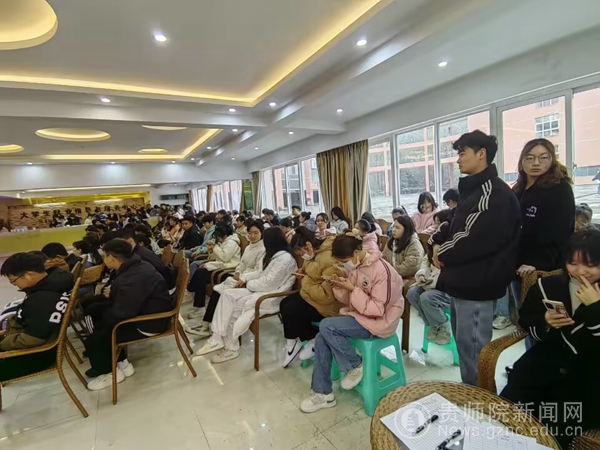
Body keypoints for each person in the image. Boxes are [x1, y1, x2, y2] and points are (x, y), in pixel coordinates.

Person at [430, 130, 520, 386]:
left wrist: (441, 250)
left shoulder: (494, 193)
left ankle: (478, 398)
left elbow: (471, 238)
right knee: (465, 347)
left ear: (481, 154)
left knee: (474, 350)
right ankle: (470, 391)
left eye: (462, 153)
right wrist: (436, 241)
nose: (458, 159)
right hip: (462, 281)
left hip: (478, 283)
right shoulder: (474, 189)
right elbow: (452, 222)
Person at [501, 229, 600, 449]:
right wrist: (545, 322)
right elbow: (526, 321)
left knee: (553, 432)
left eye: (591, 264)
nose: (580, 271)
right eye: (573, 263)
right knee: (506, 413)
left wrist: (595, 307)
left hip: (589, 377)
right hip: (545, 365)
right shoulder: (548, 286)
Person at [300, 234, 403, 413]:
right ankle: (323, 394)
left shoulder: (382, 271)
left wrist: (353, 289)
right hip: (360, 316)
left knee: (326, 326)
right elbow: (351, 301)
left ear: (356, 252)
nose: (344, 265)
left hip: (380, 322)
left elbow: (377, 310)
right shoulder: (357, 266)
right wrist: (340, 287)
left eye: (344, 261)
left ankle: (354, 365)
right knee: (322, 335)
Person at [493, 138, 574, 331]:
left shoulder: (559, 188)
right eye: (529, 158)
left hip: (544, 270)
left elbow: (560, 232)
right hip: (518, 267)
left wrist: (538, 263)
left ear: (552, 160)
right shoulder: (518, 189)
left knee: (542, 323)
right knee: (525, 320)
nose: (536, 163)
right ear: (522, 161)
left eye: (543, 157)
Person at [195, 227, 297, 363]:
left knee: (236, 307)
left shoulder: (284, 259)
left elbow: (269, 283)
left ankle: (231, 348)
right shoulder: (273, 255)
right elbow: (260, 272)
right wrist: (244, 278)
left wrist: (248, 283)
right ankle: (217, 337)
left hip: (271, 295)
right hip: (259, 289)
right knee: (227, 294)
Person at [84, 239, 172, 390]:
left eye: (104, 256)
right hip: (147, 312)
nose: (103, 260)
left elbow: (124, 311)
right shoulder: (135, 266)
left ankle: (110, 374)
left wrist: (112, 297)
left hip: (150, 322)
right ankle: (123, 364)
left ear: (112, 257)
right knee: (97, 313)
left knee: (96, 338)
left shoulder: (131, 276)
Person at [0, 252, 74, 382]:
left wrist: (3, 342)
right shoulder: (57, 281)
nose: (16, 286)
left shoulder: (41, 299)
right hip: (46, 343)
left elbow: (33, 339)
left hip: (37, 355)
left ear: (30, 274)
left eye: (14, 281)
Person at [187, 220, 265, 337]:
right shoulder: (249, 247)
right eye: (250, 233)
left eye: (256, 233)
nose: (252, 236)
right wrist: (238, 272)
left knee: (219, 291)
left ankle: (210, 326)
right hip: (238, 275)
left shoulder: (263, 249)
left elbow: (258, 270)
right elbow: (241, 263)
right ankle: (206, 324)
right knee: (216, 290)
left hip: (248, 280)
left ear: (261, 233)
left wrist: (242, 276)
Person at [280, 228, 342, 367]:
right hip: (313, 295)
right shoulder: (314, 254)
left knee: (292, 309)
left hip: (330, 306)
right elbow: (311, 273)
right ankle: (292, 341)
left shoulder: (328, 258)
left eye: (301, 253)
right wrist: (302, 272)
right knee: (284, 303)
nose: (302, 257)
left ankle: (312, 337)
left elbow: (327, 296)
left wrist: (306, 280)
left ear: (308, 246)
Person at [406, 211, 453, 344]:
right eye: (435, 223)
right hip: (431, 284)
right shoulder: (433, 244)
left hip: (447, 291)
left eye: (439, 223)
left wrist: (431, 280)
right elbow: (425, 263)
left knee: (426, 298)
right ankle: (434, 324)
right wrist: (422, 275)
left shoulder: (452, 245)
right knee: (412, 293)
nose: (436, 227)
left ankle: (444, 326)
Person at [187, 223, 241, 320]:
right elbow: (215, 257)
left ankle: (196, 300)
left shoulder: (231, 243)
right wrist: (211, 250)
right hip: (221, 268)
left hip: (227, 271)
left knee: (200, 274)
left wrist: (215, 247)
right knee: (200, 272)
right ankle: (197, 302)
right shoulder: (224, 242)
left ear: (224, 235)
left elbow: (224, 257)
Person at [382, 215, 424, 280]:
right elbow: (383, 258)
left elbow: (409, 268)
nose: (393, 230)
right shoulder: (392, 241)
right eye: (393, 227)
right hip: (391, 274)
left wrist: (388, 272)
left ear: (406, 229)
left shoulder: (414, 244)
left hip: (408, 278)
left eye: (397, 228)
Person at [188, 213, 217, 279]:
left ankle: (188, 280)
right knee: (185, 253)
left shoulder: (214, 232)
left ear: (211, 222)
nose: (204, 225)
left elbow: (209, 247)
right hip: (203, 251)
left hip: (207, 254)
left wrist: (199, 251)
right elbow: (203, 244)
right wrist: (196, 248)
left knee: (190, 259)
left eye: (205, 223)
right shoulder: (208, 231)